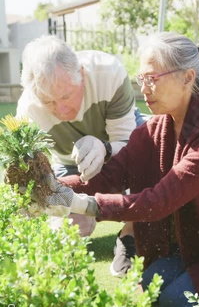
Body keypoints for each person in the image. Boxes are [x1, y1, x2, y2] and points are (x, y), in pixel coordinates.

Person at [30, 32, 199, 307]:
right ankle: (194, 265)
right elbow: (110, 176)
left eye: (152, 78)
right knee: (152, 285)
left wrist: (80, 203)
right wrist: (45, 189)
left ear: (188, 77)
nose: (144, 89)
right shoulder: (155, 129)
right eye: (141, 79)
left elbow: (158, 202)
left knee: (175, 303)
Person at [16, 34, 147, 275]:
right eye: (49, 102)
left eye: (66, 96)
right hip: (70, 163)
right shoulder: (27, 109)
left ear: (82, 75)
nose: (61, 110)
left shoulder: (109, 73)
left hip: (121, 144)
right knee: (68, 231)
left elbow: (127, 146)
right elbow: (27, 175)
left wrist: (103, 147)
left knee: (149, 155)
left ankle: (130, 233)